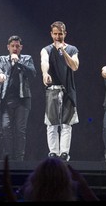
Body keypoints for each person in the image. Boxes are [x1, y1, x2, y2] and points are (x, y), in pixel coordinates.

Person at [40, 21, 79, 161]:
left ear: (65, 34)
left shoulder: (72, 49)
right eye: (55, 34)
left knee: (66, 124)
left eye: (60, 34)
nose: (57, 36)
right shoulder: (46, 49)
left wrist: (63, 50)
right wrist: (45, 74)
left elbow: (75, 66)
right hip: (52, 89)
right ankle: (53, 152)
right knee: (52, 123)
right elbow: (44, 62)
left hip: (68, 89)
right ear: (51, 34)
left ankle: (64, 153)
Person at [0, 35, 36, 161]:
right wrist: (0, 74)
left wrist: (18, 62)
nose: (15, 48)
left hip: (22, 100)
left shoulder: (27, 59)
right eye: (12, 46)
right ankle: (7, 158)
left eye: (17, 46)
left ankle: (19, 160)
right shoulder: (1, 59)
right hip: (6, 100)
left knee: (20, 130)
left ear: (21, 47)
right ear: (8, 47)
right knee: (6, 129)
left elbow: (32, 73)